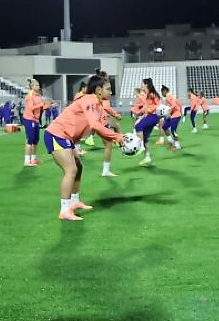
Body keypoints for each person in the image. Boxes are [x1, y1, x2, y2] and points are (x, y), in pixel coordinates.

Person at [43, 74, 125, 220]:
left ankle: (75, 202)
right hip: (57, 134)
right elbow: (94, 125)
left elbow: (101, 128)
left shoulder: (98, 104)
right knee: (71, 169)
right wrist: (117, 137)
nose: (111, 92)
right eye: (108, 89)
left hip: (67, 137)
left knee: (78, 167)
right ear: (99, 90)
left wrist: (117, 139)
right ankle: (64, 210)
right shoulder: (89, 100)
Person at [132, 78, 162, 166]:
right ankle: (147, 157)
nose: (141, 85)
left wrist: (149, 110)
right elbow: (146, 107)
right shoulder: (147, 94)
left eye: (142, 84)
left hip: (154, 116)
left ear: (146, 84)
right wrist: (138, 112)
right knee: (145, 137)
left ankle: (141, 147)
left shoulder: (152, 94)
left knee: (138, 126)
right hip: (150, 116)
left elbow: (158, 106)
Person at [22, 79, 52, 167]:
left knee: (36, 140)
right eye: (36, 85)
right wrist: (42, 104)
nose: (38, 87)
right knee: (30, 139)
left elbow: (40, 108)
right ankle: (27, 161)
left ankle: (33, 159)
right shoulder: (29, 96)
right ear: (32, 86)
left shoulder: (38, 96)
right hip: (29, 119)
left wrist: (49, 105)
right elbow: (31, 107)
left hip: (35, 119)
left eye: (38, 85)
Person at [161, 85, 183, 150]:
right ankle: (171, 141)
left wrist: (168, 111)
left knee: (173, 131)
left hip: (175, 116)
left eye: (162, 92)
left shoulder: (168, 97)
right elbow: (179, 104)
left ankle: (177, 146)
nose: (162, 94)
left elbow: (174, 105)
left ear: (165, 91)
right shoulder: (171, 96)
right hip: (173, 115)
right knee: (164, 127)